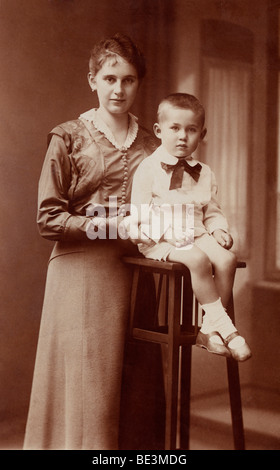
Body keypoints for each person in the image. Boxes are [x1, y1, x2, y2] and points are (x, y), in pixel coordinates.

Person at [23, 33, 158, 450]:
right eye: (110, 77)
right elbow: (49, 218)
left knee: (138, 392)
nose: (119, 89)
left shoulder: (154, 145)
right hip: (81, 274)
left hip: (137, 275)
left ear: (138, 83)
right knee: (87, 393)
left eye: (129, 80)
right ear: (92, 80)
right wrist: (110, 226)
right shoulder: (67, 137)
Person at [126, 93, 251, 362]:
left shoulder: (204, 172)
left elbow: (211, 210)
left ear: (201, 134)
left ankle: (208, 329)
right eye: (175, 128)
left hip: (196, 233)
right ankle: (226, 328)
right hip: (161, 237)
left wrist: (218, 229)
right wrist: (167, 233)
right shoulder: (148, 169)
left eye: (191, 130)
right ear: (159, 131)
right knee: (197, 258)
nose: (183, 136)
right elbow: (140, 214)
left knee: (227, 259)